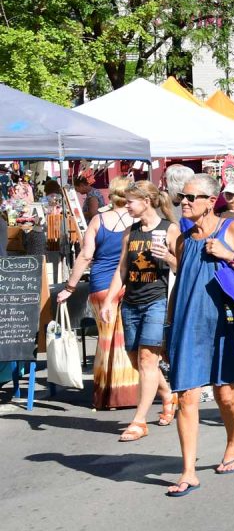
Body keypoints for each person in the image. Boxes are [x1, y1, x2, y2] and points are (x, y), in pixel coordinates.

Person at [165, 173, 234, 495]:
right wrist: (168, 328)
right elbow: (181, 285)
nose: (185, 202)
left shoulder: (231, 229)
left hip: (224, 324)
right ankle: (188, 471)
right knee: (186, 397)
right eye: (183, 197)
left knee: (225, 394)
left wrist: (228, 255)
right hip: (188, 323)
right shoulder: (183, 240)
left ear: (211, 202)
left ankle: (233, 440)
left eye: (192, 198)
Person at [99, 181, 179, 441]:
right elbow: (122, 270)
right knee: (136, 360)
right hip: (131, 302)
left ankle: (139, 420)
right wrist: (110, 301)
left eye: (131, 201)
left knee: (148, 360)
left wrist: (168, 258)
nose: (126, 206)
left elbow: (182, 267)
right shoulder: (129, 232)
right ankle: (167, 393)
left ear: (146, 201)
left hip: (156, 300)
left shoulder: (169, 229)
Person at [57, 177, 140, 411]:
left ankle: (107, 394)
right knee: (126, 339)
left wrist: (69, 288)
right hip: (129, 284)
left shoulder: (99, 220)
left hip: (102, 285)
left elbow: (85, 256)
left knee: (106, 341)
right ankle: (129, 392)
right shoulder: (136, 221)